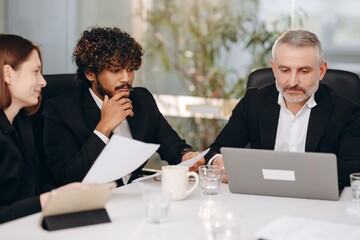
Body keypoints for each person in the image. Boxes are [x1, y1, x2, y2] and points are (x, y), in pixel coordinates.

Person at [43, 27, 204, 187]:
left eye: (130, 69)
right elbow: (66, 178)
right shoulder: (60, 110)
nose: (126, 78)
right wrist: (103, 128)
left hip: (135, 199)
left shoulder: (142, 100)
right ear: (90, 73)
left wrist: (187, 156)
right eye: (115, 70)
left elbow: (174, 146)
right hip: (90, 206)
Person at [205, 29, 360, 187]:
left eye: (303, 71)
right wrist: (219, 162)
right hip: (261, 197)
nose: (292, 82)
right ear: (274, 68)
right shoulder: (253, 102)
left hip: (315, 200)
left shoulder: (346, 111)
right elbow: (216, 150)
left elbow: (354, 171)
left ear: (321, 71)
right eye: (285, 70)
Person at [0, 34, 84, 223]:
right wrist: (46, 201)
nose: (43, 82)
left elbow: (34, 188)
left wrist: (66, 195)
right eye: (35, 72)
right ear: (8, 74)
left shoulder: (22, 124)